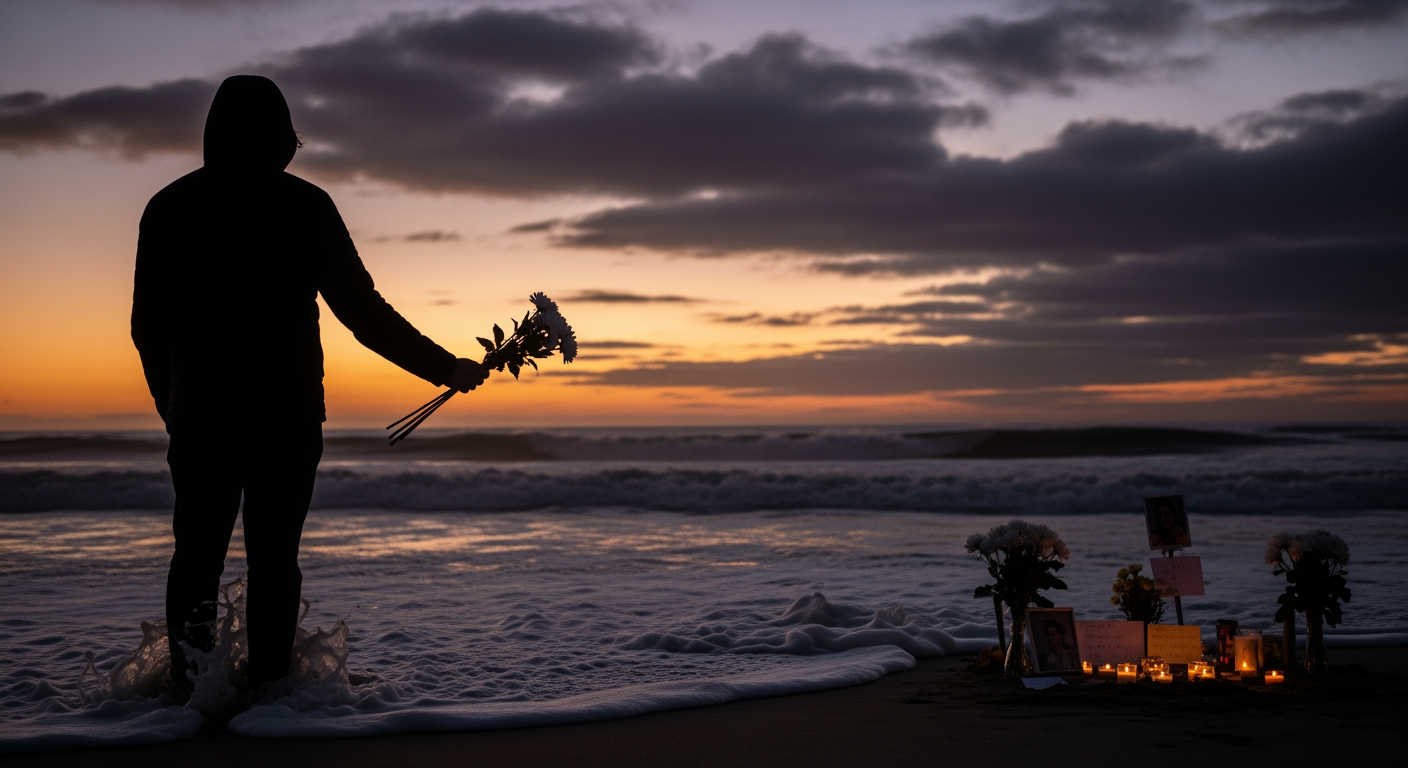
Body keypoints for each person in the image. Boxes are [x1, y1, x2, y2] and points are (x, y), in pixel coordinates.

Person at [131, 75, 487, 689]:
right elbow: (363, 312)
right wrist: (444, 367)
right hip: (286, 414)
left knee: (195, 560)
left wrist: (174, 404)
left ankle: (187, 701)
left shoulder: (168, 207)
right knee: (275, 563)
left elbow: (145, 327)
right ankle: (269, 698)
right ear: (278, 135)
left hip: (202, 414)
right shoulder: (304, 205)